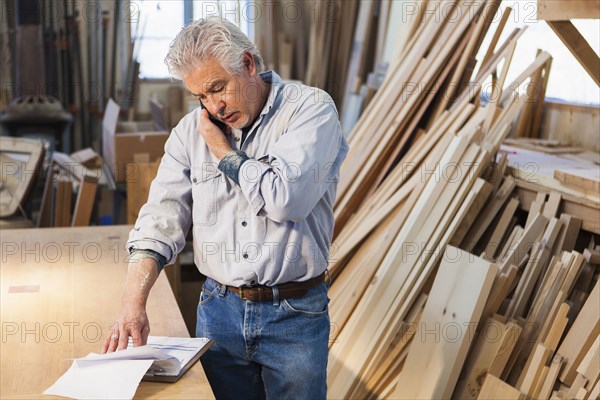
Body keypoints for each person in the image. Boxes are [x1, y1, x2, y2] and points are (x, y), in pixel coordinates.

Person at [102, 17, 349, 400]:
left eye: (218, 88)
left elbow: (286, 200)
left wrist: (222, 152)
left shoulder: (310, 110)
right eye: (200, 96)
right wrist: (133, 303)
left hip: (295, 315)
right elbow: (160, 217)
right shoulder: (189, 131)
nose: (214, 106)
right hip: (219, 311)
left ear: (248, 64)